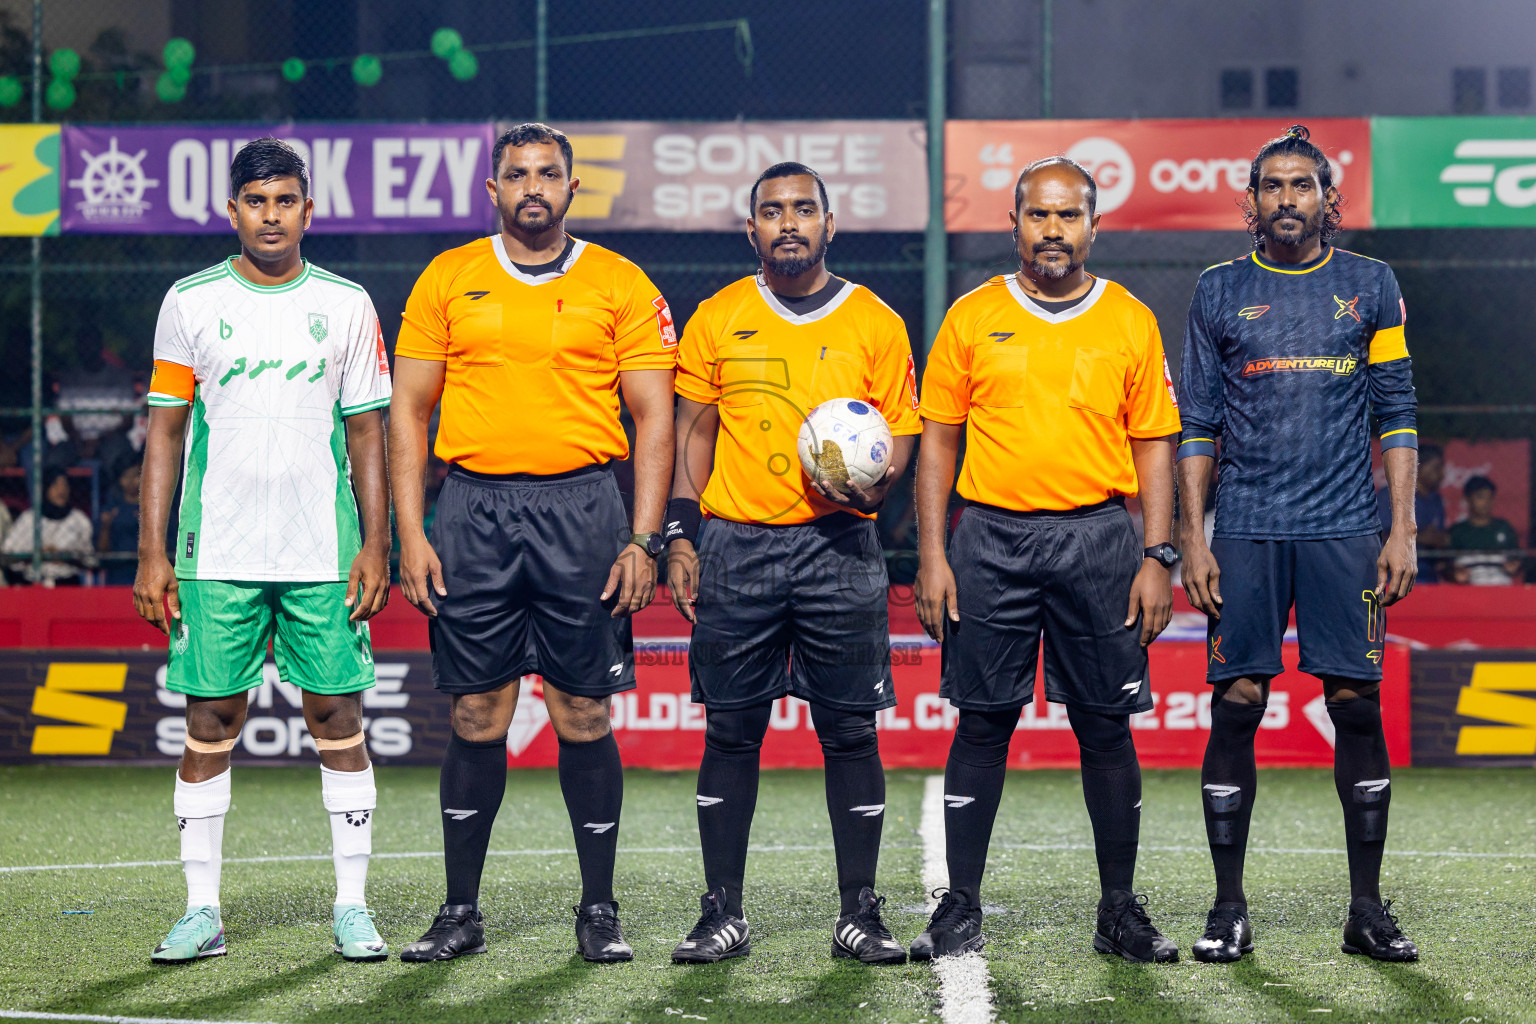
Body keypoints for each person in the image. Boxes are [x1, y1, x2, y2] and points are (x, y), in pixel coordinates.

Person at [389, 123, 676, 965]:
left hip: (583, 511)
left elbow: (653, 414)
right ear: (494, 190)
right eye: (517, 174)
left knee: (581, 711)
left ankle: (598, 908)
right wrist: (413, 532)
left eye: (548, 172)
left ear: (572, 187)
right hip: (472, 512)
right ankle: (459, 911)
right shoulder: (449, 277)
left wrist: (644, 537)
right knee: (477, 712)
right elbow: (407, 411)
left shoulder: (620, 283)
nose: (533, 186)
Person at [912, 156, 1182, 963]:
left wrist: (1157, 553)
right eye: (1039, 215)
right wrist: (932, 553)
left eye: (1069, 216)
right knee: (983, 721)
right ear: (1015, 223)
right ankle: (960, 905)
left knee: (1105, 727)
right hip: (989, 539)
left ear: (1094, 226)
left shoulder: (1130, 319)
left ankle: (1119, 909)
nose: (1053, 230)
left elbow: (1155, 445)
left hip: (1099, 539)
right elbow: (936, 443)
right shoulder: (971, 316)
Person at [133, 138, 393, 965]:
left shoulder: (349, 303)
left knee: (337, 719)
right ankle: (200, 911)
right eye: (256, 201)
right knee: (209, 721)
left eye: (285, 200)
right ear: (233, 210)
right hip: (218, 552)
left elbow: (367, 432)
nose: (271, 215)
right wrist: (152, 551)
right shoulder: (190, 300)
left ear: (307, 210)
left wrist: (377, 544)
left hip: (324, 550)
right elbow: (165, 430)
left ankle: (352, 906)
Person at [664, 161, 920, 965]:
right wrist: (681, 530)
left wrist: (875, 486)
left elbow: (902, 429)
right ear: (752, 230)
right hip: (736, 547)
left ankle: (861, 912)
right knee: (732, 732)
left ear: (829, 225)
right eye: (771, 211)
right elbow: (693, 431)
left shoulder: (874, 321)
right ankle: (721, 912)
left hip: (840, 547)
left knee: (849, 732)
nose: (787, 222)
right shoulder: (719, 315)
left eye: (803, 209)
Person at [1178, 126, 1421, 964]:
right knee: (1237, 701)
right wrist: (1192, 538)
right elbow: (1198, 424)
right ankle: (1228, 907)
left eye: (1302, 186)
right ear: (1251, 202)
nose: (1288, 199)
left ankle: (1365, 908)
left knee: (1355, 703)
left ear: (1329, 200)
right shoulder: (1216, 291)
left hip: (1346, 526)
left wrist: (1403, 527)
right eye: (1272, 187)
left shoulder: (1371, 284)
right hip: (1244, 526)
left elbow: (1397, 412)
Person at [1, 468, 95, 585]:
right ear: (46, 489)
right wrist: (36, 555)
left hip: (67, 583)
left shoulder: (79, 520)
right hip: (35, 583)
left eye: (65, 485)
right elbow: (8, 555)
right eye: (55, 485)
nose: (61, 490)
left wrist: (66, 557)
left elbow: (89, 559)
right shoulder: (29, 519)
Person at [1377, 442, 1448, 581]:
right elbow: (1378, 537)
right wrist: (1419, 537)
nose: (1442, 474)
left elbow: (1438, 539)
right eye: (1437, 467)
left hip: (1428, 575)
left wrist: (1441, 540)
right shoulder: (1391, 495)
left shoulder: (1436, 500)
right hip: (1394, 576)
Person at [1449, 476, 1522, 585]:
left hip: (1501, 585)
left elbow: (1518, 559)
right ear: (1467, 499)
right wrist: (1455, 573)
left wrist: (1514, 566)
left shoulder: (1504, 527)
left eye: (1490, 497)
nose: (1486, 502)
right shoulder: (1457, 531)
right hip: (1468, 587)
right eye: (1481, 497)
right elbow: (1444, 565)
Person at [98, 461, 143, 586]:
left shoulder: (154, 510)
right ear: (120, 480)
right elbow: (101, 551)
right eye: (126, 476)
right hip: (117, 575)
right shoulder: (111, 510)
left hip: (146, 572)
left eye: (135, 475)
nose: (131, 481)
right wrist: (106, 526)